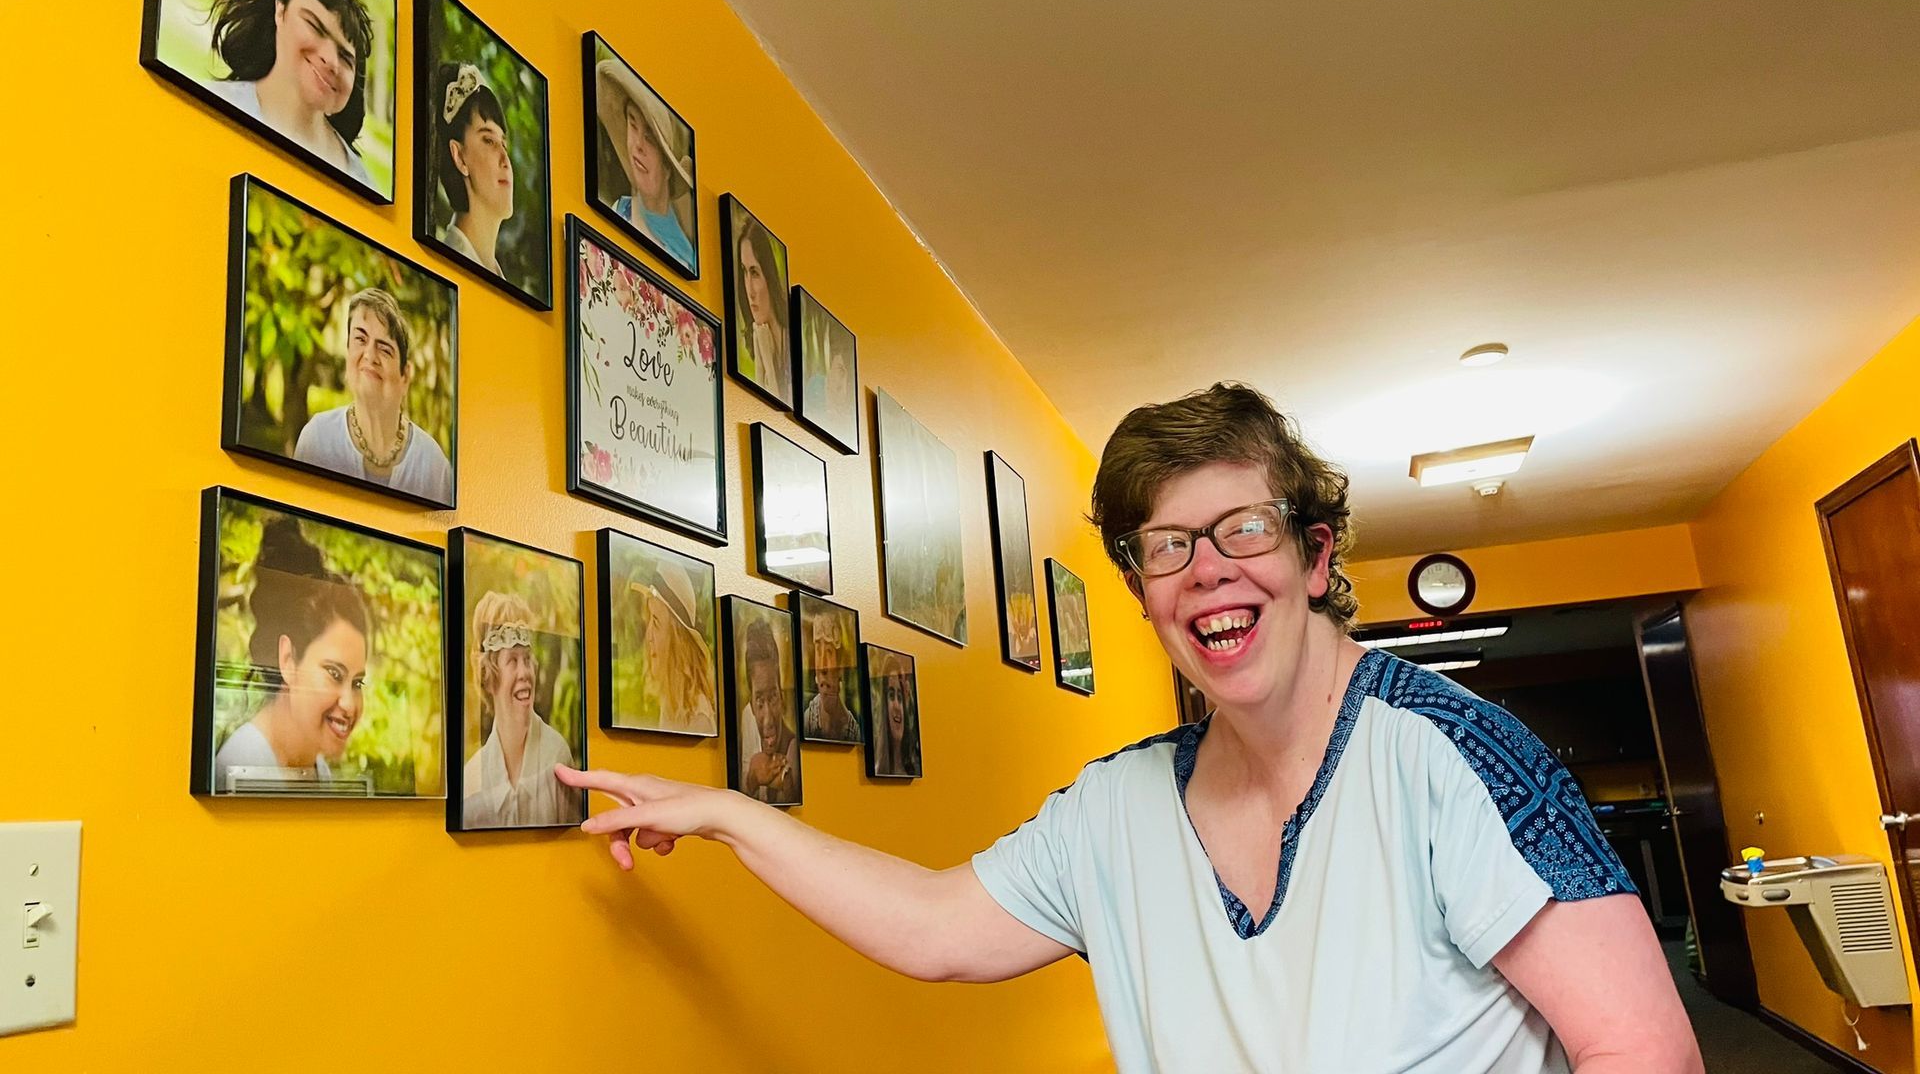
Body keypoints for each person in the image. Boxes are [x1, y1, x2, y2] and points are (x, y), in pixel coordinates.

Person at [557, 381, 1703, 1073]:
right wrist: (726, 815)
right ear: (1145, 587)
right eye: (1167, 546)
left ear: (1314, 556)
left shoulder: (1456, 758)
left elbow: (1642, 1050)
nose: (1208, 574)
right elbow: (937, 926)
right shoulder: (1115, 809)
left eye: (1243, 530)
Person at [213, 516, 371, 792]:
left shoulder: (317, 769)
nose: (349, 704)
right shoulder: (243, 765)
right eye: (334, 674)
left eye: (357, 683)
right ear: (288, 660)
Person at [204, 0, 377, 188]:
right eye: (315, 26)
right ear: (280, 11)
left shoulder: (364, 184)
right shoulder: (213, 107)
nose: (331, 60)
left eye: (345, 57)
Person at [293, 288, 453, 505]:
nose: (370, 355)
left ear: (405, 375)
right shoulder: (317, 438)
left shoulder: (433, 465)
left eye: (385, 348)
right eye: (360, 339)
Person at [461, 591, 576, 828]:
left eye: (527, 659)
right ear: (489, 675)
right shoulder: (471, 779)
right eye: (512, 661)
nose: (524, 673)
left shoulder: (557, 756)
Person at [593, 57, 696, 271]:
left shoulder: (684, 257)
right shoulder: (618, 210)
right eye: (632, 124)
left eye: (650, 137)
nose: (638, 144)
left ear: (668, 168)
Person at [431, 62, 513, 277]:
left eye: (503, 143)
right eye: (488, 140)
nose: (505, 159)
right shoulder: (448, 267)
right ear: (459, 156)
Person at [631, 563, 717, 734]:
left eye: (655, 622)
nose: (649, 636)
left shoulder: (698, 716)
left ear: (677, 641)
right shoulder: (670, 702)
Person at [734, 619, 800, 805]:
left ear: (782, 696)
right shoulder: (747, 719)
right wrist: (753, 778)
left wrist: (786, 783)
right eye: (760, 701)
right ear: (752, 705)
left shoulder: (793, 747)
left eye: (773, 698)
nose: (768, 719)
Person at [733, 215, 791, 403]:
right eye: (744, 272)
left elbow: (778, 405)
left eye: (755, 273)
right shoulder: (756, 339)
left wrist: (766, 357)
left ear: (770, 275)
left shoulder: (791, 344)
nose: (749, 290)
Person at [802, 614, 861, 743]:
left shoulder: (854, 732)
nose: (823, 666)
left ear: (840, 667)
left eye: (829, 652)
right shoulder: (807, 719)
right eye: (818, 650)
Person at [869, 657, 921, 778]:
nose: (897, 706)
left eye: (900, 697)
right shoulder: (877, 769)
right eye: (891, 696)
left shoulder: (914, 768)